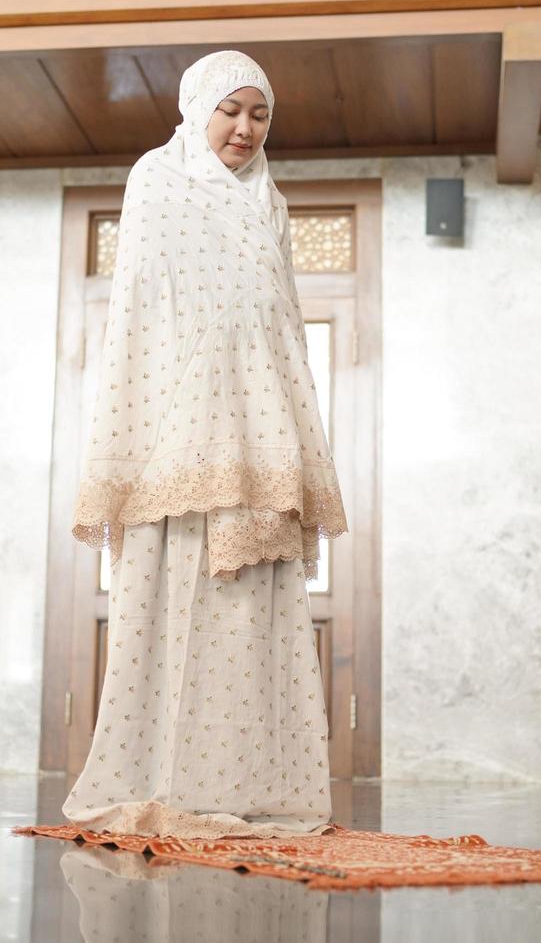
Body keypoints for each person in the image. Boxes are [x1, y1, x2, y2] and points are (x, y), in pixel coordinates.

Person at [63, 50, 348, 842]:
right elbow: (145, 314)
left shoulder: (272, 202)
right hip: (179, 429)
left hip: (264, 432)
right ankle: (165, 780)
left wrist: (290, 432)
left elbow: (281, 323)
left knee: (253, 611)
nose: (246, 129)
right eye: (232, 110)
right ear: (197, 109)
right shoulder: (159, 179)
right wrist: (166, 431)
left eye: (260, 115)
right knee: (177, 597)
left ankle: (253, 787)